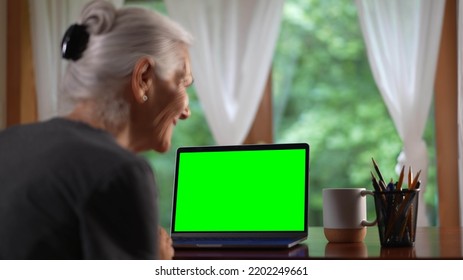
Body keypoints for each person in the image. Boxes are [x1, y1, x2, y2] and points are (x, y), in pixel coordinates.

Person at [0, 0, 193, 259]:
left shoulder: (9, 142)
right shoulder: (119, 172)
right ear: (144, 78)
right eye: (182, 83)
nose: (186, 111)